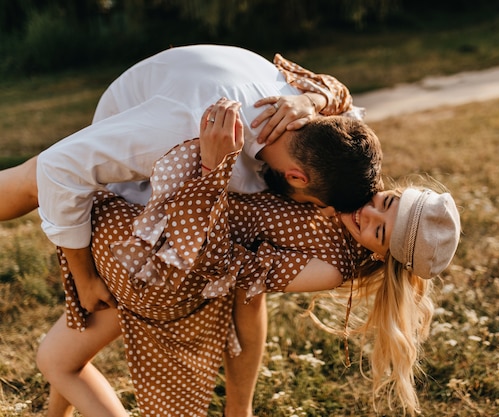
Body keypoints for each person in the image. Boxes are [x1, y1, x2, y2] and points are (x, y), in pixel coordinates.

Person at [0, 45, 381, 417]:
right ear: (297, 177)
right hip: (147, 168)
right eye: (312, 203)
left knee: (248, 294)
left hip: (196, 145)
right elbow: (57, 171)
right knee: (34, 179)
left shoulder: (306, 119)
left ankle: (238, 410)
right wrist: (82, 277)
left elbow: (345, 106)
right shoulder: (177, 135)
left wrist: (314, 98)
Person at [36, 98, 461, 417]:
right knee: (73, 335)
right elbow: (338, 100)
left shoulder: (331, 267)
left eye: (379, 230)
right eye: (385, 201)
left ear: (383, 256)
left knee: (55, 360)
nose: (367, 213)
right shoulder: (348, 182)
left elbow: (228, 269)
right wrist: (305, 105)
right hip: (160, 238)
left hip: (166, 271)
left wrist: (214, 169)